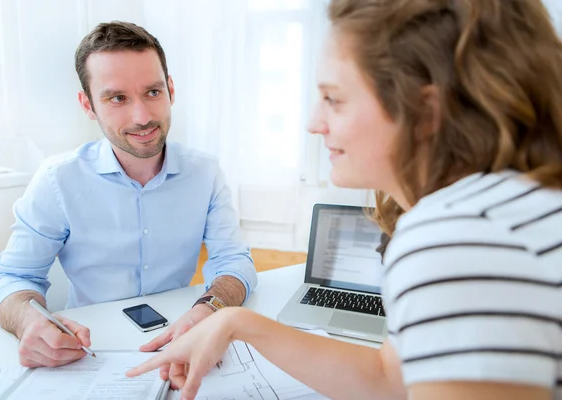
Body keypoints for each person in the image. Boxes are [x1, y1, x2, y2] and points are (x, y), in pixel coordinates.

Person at [127, 1, 562, 399]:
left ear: (426, 112)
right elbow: (390, 378)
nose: (314, 123)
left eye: (333, 98)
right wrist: (234, 322)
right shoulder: (509, 207)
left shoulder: (460, 239)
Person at [0, 21, 257, 369]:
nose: (142, 117)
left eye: (153, 92)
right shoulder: (57, 180)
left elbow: (234, 261)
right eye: (117, 98)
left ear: (170, 89)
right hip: (89, 353)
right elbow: (8, 280)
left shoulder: (206, 173)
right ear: (88, 104)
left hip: (182, 337)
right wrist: (28, 321)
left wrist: (210, 307)